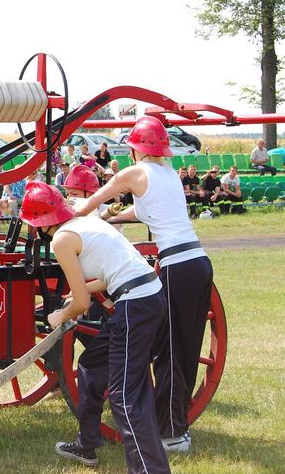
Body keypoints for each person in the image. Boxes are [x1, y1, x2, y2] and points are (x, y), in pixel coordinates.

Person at [73, 116, 214, 455]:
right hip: (198, 262)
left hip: (177, 267)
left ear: (135, 149)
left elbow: (94, 199)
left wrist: (78, 216)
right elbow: (147, 212)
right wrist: (112, 219)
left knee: (166, 350)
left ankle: (170, 434)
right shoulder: (168, 175)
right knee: (184, 348)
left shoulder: (134, 173)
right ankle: (176, 426)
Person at [21, 182, 173, 474]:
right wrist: (77, 295)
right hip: (143, 297)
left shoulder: (61, 240)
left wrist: (60, 315)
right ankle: (87, 444)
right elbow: (106, 276)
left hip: (135, 305)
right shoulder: (87, 223)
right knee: (90, 364)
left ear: (42, 224)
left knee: (125, 396)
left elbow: (80, 305)